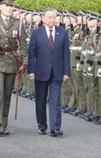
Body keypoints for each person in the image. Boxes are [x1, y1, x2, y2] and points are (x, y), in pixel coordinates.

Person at [0, 0, 28, 136]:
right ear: (0, 7)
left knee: (8, 94)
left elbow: (23, 45)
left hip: (12, 62)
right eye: (7, 6)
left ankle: (4, 123)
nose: (10, 8)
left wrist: (24, 62)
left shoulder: (18, 23)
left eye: (11, 6)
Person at [28, 8, 71, 137]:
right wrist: (31, 71)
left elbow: (66, 54)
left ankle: (55, 128)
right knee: (40, 101)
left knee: (55, 100)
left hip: (57, 72)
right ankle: (42, 125)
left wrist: (66, 72)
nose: (53, 20)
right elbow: (31, 54)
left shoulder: (62, 33)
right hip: (40, 71)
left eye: (54, 17)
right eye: (50, 17)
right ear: (43, 18)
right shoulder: (37, 33)